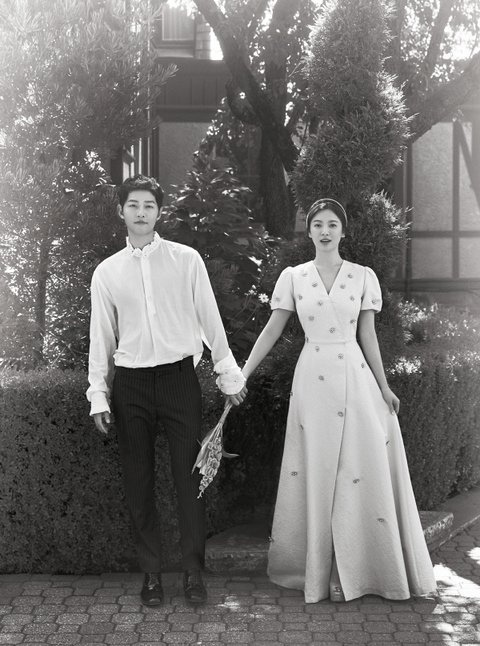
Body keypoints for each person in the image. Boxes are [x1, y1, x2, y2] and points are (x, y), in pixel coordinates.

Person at [242, 198, 437, 603]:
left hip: (354, 376)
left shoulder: (363, 276)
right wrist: (242, 373)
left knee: (356, 470)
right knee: (316, 470)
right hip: (312, 380)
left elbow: (368, 335)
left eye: (332, 224)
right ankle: (317, 572)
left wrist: (384, 386)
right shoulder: (294, 277)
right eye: (318, 224)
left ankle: (363, 571)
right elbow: (272, 330)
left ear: (343, 231)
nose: (325, 231)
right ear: (309, 231)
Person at [86, 174, 247, 607]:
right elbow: (101, 337)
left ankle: (193, 572)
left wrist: (227, 373)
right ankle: (152, 575)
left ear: (159, 212)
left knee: (189, 479)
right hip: (132, 385)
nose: (141, 213)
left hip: (179, 381)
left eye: (149, 206)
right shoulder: (107, 273)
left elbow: (210, 319)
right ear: (121, 211)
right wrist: (98, 394)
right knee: (138, 482)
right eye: (133, 205)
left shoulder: (186, 260)